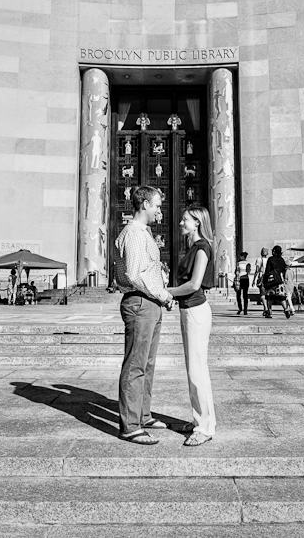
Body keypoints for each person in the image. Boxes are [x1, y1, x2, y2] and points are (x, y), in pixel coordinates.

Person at [114, 185, 174, 445]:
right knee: (136, 364)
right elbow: (135, 274)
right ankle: (130, 425)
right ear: (145, 204)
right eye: (157, 205)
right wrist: (163, 295)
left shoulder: (143, 234)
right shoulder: (135, 234)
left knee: (147, 363)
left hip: (149, 303)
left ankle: (143, 414)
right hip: (142, 302)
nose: (160, 211)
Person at [166, 204, 216, 447]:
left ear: (196, 222)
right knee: (193, 370)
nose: (180, 223)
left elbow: (195, 284)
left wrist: (167, 293)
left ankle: (205, 427)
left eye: (184, 219)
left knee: (198, 370)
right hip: (188, 311)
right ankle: (199, 419)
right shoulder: (193, 247)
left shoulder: (202, 248)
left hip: (196, 311)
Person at [263, 245, 292, 319]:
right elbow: (284, 270)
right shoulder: (282, 260)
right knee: (281, 297)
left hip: (271, 281)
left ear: (274, 251)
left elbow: (267, 271)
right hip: (279, 281)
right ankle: (286, 309)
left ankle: (269, 312)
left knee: (269, 297)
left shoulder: (270, 259)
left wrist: (264, 280)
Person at [253, 247, 269, 317]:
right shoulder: (269, 260)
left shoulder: (259, 259)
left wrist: (253, 280)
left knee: (262, 294)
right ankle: (267, 309)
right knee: (267, 294)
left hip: (262, 278)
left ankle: (265, 308)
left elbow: (257, 270)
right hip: (268, 278)